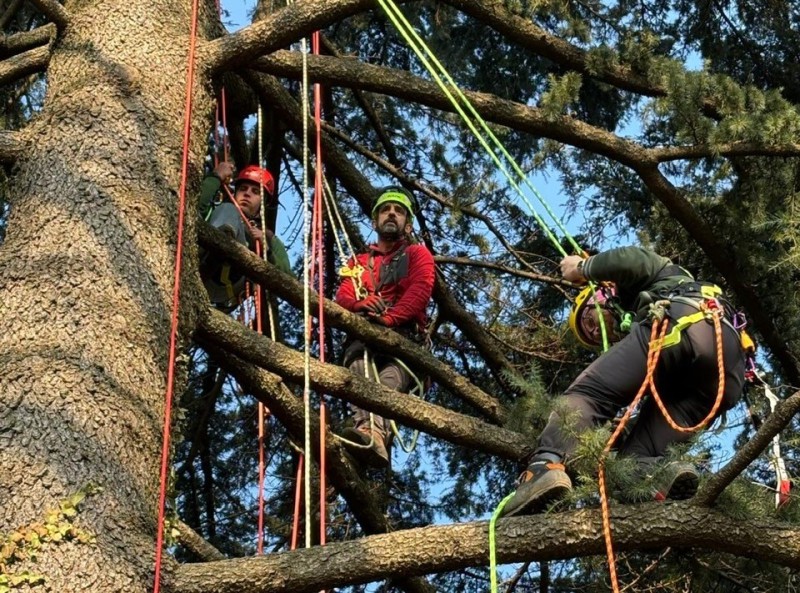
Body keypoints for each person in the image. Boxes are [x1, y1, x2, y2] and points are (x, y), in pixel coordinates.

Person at [502, 246, 746, 516]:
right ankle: (655, 479)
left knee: (589, 393)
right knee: (635, 460)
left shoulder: (636, 285)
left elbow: (631, 259)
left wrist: (583, 268)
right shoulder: (645, 321)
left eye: (588, 319)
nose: (594, 330)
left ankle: (544, 466)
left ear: (600, 296)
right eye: (590, 335)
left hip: (684, 323)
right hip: (723, 372)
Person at [334, 186, 435, 468]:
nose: (392, 213)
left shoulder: (417, 254)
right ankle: (371, 434)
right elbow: (343, 295)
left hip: (404, 340)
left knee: (387, 383)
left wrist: (390, 318)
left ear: (408, 223)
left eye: (399, 211)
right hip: (364, 339)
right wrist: (359, 306)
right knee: (359, 374)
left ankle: (374, 433)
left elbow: (420, 290)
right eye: (385, 210)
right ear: (374, 221)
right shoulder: (359, 262)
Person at [199, 161, 291, 310]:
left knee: (229, 211)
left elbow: (288, 278)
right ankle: (222, 238)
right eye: (242, 188)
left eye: (255, 192)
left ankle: (225, 239)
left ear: (263, 204)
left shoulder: (267, 237)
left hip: (229, 287)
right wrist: (216, 177)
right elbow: (193, 207)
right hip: (199, 271)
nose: (247, 193)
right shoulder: (217, 212)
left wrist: (266, 249)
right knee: (228, 209)